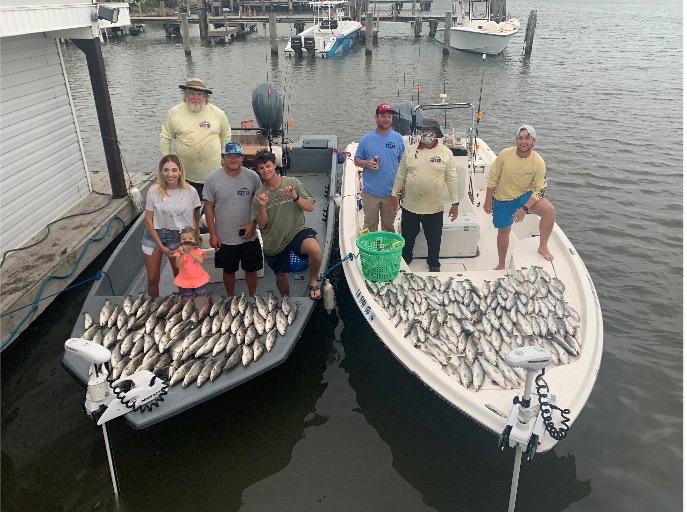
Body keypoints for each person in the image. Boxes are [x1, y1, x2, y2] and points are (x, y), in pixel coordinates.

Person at [250, 149, 323, 300]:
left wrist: (295, 197)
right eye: (261, 168)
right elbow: (262, 225)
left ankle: (313, 280)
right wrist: (263, 206)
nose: (265, 170)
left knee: (315, 249)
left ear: (274, 165)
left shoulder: (292, 182)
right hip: (274, 241)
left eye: (268, 166)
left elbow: (310, 207)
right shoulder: (259, 194)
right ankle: (286, 299)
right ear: (258, 171)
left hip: (296, 232)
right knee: (280, 275)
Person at [390, 119, 459, 273]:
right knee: (407, 237)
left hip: (434, 207)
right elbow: (401, 175)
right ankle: (406, 259)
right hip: (410, 206)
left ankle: (434, 262)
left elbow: (452, 179)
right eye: (425, 130)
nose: (427, 133)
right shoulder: (409, 150)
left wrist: (455, 203)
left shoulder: (446, 153)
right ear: (420, 132)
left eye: (431, 131)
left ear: (436, 134)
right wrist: (394, 194)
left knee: (434, 240)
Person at [483, 125, 556, 270]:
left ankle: (543, 246)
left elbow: (540, 189)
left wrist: (525, 208)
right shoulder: (505, 154)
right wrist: (487, 201)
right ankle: (502, 263)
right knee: (504, 231)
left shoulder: (538, 161)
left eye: (527, 138)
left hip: (523, 196)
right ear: (516, 140)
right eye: (520, 138)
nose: (523, 141)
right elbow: (493, 178)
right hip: (502, 198)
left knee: (549, 211)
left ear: (533, 141)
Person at [204, 141, 263, 297]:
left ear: (242, 158)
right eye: (229, 156)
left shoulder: (253, 177)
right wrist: (213, 234)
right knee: (229, 270)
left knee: (251, 270)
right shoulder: (212, 178)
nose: (233, 159)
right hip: (225, 238)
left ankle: (252, 297)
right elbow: (208, 207)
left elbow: (260, 205)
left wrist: (253, 224)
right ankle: (230, 298)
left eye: (237, 156)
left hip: (249, 236)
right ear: (223, 158)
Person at [160, 78, 232, 200]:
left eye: (199, 94)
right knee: (189, 210)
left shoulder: (218, 113)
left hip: (213, 175)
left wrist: (224, 157)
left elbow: (226, 136)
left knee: (213, 207)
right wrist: (166, 162)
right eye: (191, 93)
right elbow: (166, 136)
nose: (195, 97)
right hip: (185, 176)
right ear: (185, 95)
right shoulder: (174, 113)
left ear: (205, 96)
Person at [142, 154, 201, 297]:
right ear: (161, 172)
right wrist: (161, 246)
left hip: (178, 238)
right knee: (152, 279)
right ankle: (153, 306)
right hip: (154, 236)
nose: (170, 174)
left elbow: (195, 216)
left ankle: (183, 308)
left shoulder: (191, 191)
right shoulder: (153, 191)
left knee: (181, 278)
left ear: (180, 171)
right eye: (166, 170)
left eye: (174, 170)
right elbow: (148, 220)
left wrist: (195, 238)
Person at [353, 102, 405, 233]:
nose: (386, 119)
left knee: (389, 226)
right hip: (370, 194)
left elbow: (404, 165)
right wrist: (367, 163)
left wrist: (403, 188)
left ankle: (387, 252)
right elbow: (356, 160)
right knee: (370, 225)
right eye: (383, 116)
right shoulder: (366, 139)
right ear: (376, 117)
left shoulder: (398, 138)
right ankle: (372, 251)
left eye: (389, 117)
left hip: (391, 193)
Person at [171, 227, 211, 306]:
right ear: (180, 242)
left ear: (195, 241)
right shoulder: (179, 252)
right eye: (183, 239)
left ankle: (201, 308)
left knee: (201, 295)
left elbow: (201, 260)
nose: (186, 241)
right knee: (188, 297)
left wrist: (190, 252)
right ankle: (190, 310)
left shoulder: (198, 250)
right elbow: (178, 265)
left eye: (190, 238)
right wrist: (182, 254)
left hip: (198, 278)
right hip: (185, 279)